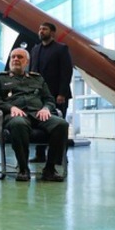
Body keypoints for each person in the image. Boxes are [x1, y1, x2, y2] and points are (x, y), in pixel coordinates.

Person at [0, 48, 68, 182]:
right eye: (13, 57)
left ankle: (50, 169)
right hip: (14, 115)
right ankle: (23, 169)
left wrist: (46, 108)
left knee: (61, 124)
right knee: (18, 123)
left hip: (38, 114)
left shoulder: (37, 78)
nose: (15, 59)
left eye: (20, 57)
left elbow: (49, 99)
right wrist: (11, 107)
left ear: (27, 62)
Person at [29, 22, 73, 163]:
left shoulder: (61, 49)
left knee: (59, 125)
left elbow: (66, 72)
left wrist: (62, 93)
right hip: (38, 95)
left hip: (57, 94)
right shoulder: (35, 49)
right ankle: (40, 155)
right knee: (40, 122)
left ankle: (60, 156)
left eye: (45, 29)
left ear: (52, 32)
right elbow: (31, 72)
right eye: (40, 29)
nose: (41, 31)